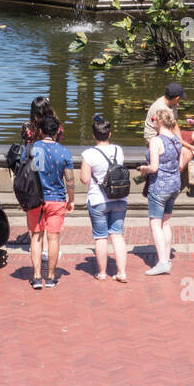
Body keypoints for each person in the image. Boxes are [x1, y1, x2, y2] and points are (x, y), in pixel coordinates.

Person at [138, 107, 191, 275]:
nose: (152, 122)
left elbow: (154, 167)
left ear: (160, 121)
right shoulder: (176, 139)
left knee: (155, 223)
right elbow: (180, 162)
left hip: (159, 186)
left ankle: (161, 262)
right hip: (174, 184)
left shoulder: (156, 141)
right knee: (166, 222)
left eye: (153, 120)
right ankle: (166, 257)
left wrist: (143, 169)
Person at [28, 111, 75, 289]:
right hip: (56, 199)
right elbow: (69, 179)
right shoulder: (64, 152)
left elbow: (31, 172)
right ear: (57, 132)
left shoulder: (35, 149)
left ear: (40, 130)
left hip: (36, 199)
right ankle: (51, 277)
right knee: (53, 239)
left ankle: (36, 276)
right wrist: (71, 199)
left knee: (36, 237)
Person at [80, 115, 128, 283]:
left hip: (98, 199)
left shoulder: (88, 154)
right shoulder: (118, 150)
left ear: (94, 135)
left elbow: (85, 179)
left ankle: (101, 273)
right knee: (117, 235)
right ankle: (121, 272)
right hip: (119, 198)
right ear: (109, 134)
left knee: (100, 236)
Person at [143, 82, 194, 162]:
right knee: (186, 151)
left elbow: (175, 125)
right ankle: (177, 172)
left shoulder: (172, 103)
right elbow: (169, 133)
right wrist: (189, 146)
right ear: (177, 98)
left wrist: (182, 140)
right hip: (158, 138)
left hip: (170, 132)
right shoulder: (161, 109)